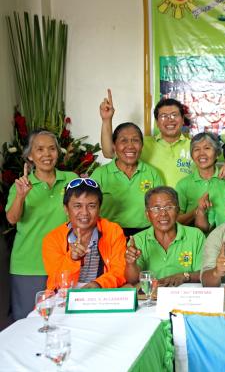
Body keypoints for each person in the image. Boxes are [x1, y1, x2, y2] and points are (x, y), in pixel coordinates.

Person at [5, 130, 78, 320]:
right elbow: (12, 219)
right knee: (27, 322)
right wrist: (21, 196)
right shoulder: (21, 185)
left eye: (52, 148)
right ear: (30, 155)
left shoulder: (71, 179)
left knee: (64, 319)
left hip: (64, 263)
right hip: (30, 265)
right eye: (40, 149)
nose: (47, 154)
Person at [42, 178, 126, 290]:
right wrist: (72, 259)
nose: (85, 212)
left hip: (101, 294)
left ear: (99, 209)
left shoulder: (113, 231)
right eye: (77, 206)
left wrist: (99, 284)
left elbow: (120, 271)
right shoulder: (52, 239)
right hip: (65, 297)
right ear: (66, 209)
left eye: (91, 206)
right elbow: (57, 282)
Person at [99, 89, 192, 187]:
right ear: (157, 122)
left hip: (184, 202)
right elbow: (108, 153)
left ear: (182, 120)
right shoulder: (142, 144)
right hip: (150, 201)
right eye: (164, 116)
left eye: (174, 115)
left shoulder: (195, 147)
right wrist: (106, 120)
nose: (170, 120)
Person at [91, 122, 163, 237]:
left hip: (145, 236)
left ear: (142, 145)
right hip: (108, 236)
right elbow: (88, 209)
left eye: (135, 140)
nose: (130, 146)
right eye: (124, 140)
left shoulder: (152, 174)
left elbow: (161, 209)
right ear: (114, 145)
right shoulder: (100, 174)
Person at [124, 187, 205, 286]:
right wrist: (131, 263)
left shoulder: (196, 236)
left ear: (178, 211)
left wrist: (184, 276)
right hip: (152, 297)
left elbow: (206, 274)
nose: (163, 214)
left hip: (186, 298)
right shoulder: (137, 240)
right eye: (156, 208)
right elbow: (132, 280)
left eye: (169, 207)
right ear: (147, 214)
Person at [175, 132, 224, 226]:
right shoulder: (183, 185)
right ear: (192, 156)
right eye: (196, 149)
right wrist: (197, 211)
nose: (202, 153)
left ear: (217, 154)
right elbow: (176, 220)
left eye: (207, 148)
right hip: (193, 239)